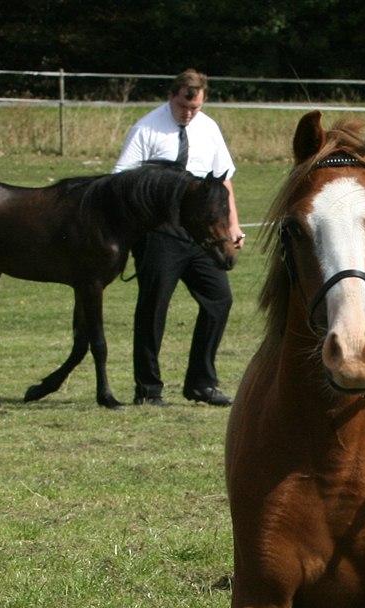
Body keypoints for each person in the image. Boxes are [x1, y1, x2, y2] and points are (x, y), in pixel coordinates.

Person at [114, 69, 244, 406]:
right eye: (184, 106)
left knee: (219, 299)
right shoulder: (146, 127)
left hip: (201, 233)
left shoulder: (209, 128)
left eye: (195, 108)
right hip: (160, 233)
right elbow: (122, 179)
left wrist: (233, 225)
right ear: (172, 95)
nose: (189, 113)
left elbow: (224, 182)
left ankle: (201, 383)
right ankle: (148, 389)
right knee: (154, 306)